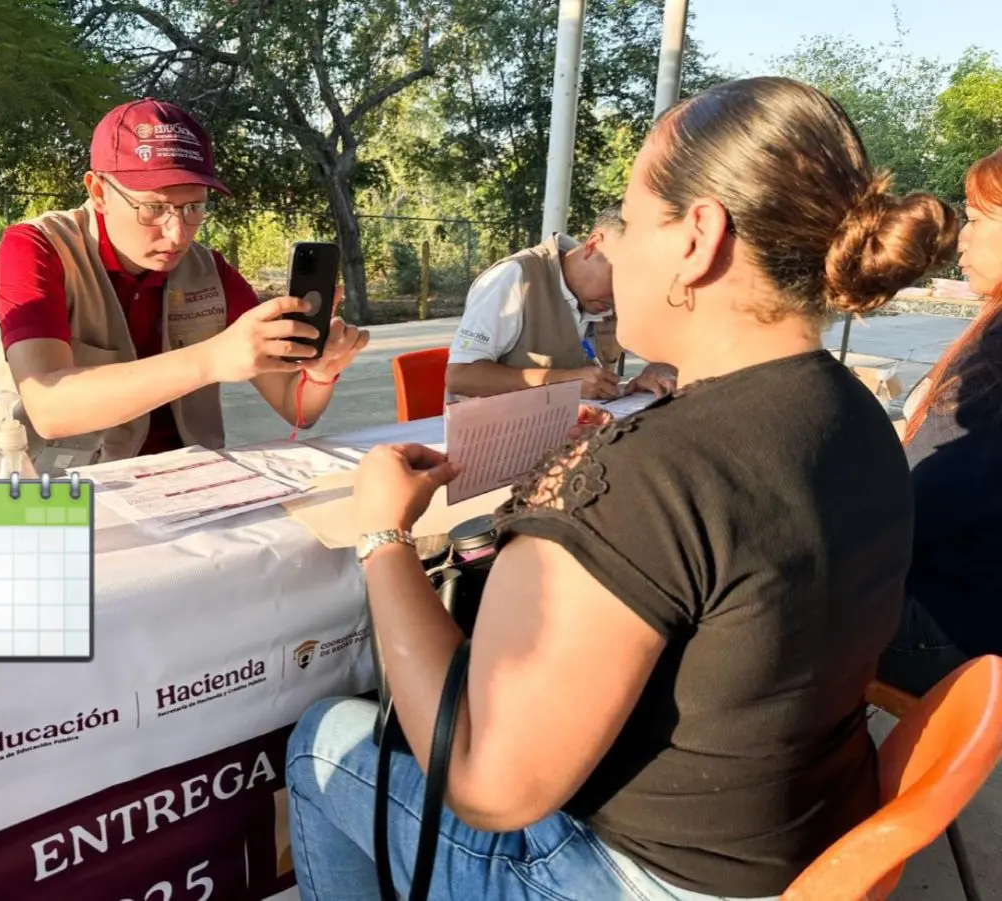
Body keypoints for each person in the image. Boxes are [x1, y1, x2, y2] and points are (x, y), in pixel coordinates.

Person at [283, 76, 959, 901]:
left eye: (633, 223)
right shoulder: (853, 410)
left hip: (639, 878)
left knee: (325, 740)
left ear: (698, 237)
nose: (618, 248)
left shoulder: (654, 473)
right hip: (791, 851)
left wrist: (382, 537)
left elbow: (487, 782)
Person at [0, 98, 368, 477]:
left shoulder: (210, 271)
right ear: (99, 192)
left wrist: (320, 374)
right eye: (153, 208)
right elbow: (49, 406)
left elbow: (294, 407)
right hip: (58, 493)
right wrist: (212, 358)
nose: (177, 234)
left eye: (193, 208)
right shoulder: (37, 248)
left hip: (185, 487)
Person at [876, 147, 1002, 697]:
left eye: (977, 220)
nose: (963, 239)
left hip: (957, 636)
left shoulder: (994, 364)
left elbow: (907, 510)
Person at [444, 210, 678, 401]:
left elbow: (668, 346)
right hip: (496, 441)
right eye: (624, 276)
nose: (623, 295)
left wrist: (653, 373)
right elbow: (461, 377)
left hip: (578, 436)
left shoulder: (614, 296)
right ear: (594, 246)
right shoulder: (516, 277)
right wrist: (566, 382)